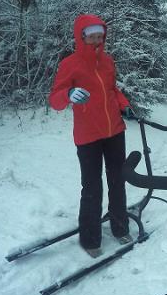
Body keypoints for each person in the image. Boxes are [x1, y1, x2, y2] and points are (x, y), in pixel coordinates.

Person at [49, 14, 135, 258]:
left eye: (100, 35)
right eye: (92, 36)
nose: (97, 40)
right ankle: (90, 239)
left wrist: (124, 105)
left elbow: (112, 90)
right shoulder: (70, 63)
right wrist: (69, 93)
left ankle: (120, 228)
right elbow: (54, 98)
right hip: (88, 136)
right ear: (82, 36)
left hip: (114, 132)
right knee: (92, 187)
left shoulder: (108, 61)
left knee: (118, 181)